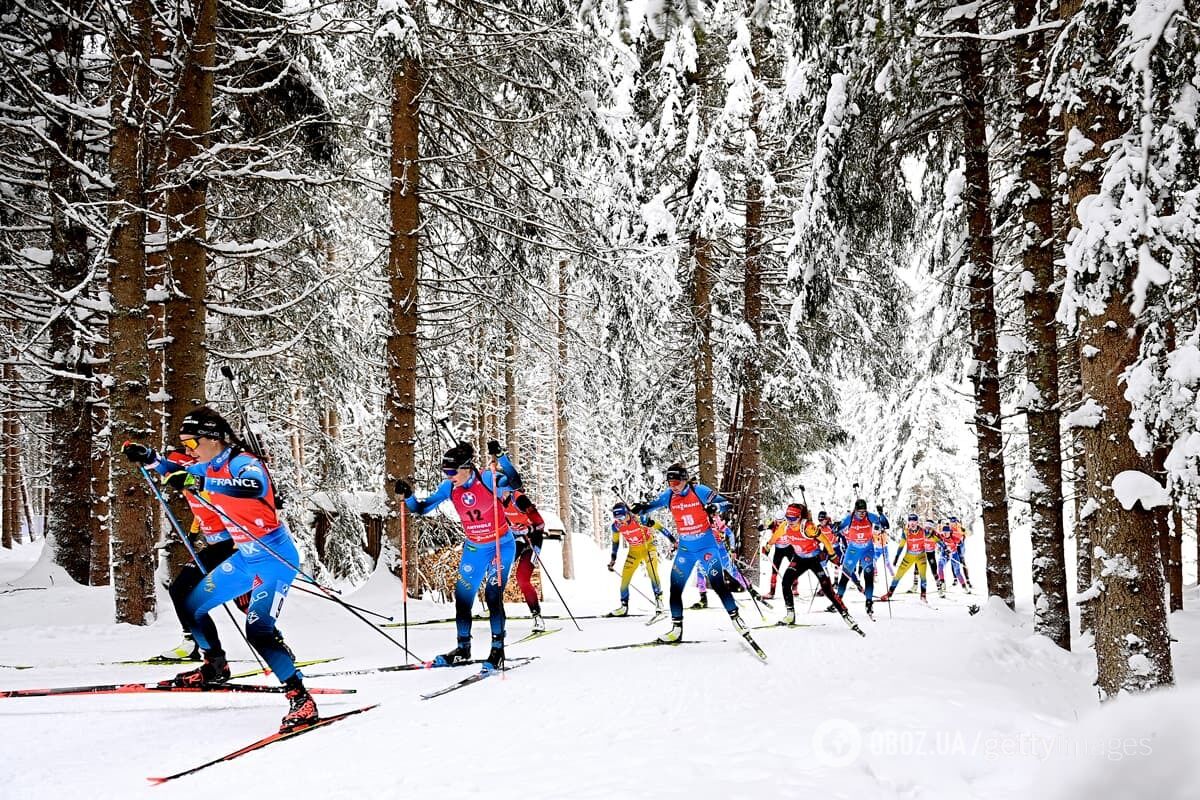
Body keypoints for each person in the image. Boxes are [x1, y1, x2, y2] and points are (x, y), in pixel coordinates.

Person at [123, 406, 317, 732]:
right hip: (244, 558)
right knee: (189, 604)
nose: (188, 451)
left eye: (192, 444)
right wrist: (151, 458)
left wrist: (201, 479)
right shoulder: (206, 464)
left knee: (258, 630)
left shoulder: (243, 463)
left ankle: (301, 699)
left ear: (211, 438)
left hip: (274, 559)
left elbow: (251, 487)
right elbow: (177, 469)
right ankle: (213, 666)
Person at [394, 441, 515, 670]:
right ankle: (463, 648)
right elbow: (420, 509)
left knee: (492, 595)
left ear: (466, 467)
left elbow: (515, 481)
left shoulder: (487, 479)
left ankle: (497, 649)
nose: (449, 476)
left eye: (451, 471)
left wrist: (501, 457)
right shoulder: (449, 488)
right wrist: (408, 497)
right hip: (474, 548)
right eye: (445, 472)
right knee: (462, 597)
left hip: (501, 545)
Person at [630, 463, 746, 642]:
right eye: (670, 482)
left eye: (676, 481)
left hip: (706, 546)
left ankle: (736, 618)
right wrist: (641, 508)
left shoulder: (699, 490)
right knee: (675, 588)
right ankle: (676, 629)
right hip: (686, 549)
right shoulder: (669, 496)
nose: (673, 486)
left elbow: (726, 503)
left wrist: (715, 508)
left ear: (684, 479)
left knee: (718, 584)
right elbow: (651, 507)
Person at [155, 446, 240, 661]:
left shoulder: (205, 476)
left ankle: (274, 643)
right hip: (217, 546)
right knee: (181, 590)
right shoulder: (185, 477)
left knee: (243, 600)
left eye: (191, 447)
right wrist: (193, 534)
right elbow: (199, 512)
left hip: (233, 544)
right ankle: (193, 641)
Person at [762, 503, 850, 626]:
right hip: (799, 559)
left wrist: (833, 555)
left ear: (800, 517)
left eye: (793, 519)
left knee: (827, 588)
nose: (790, 521)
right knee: (786, 582)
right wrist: (767, 546)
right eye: (788, 518)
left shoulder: (808, 527)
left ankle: (845, 613)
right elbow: (776, 536)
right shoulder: (785, 526)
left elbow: (824, 540)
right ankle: (790, 615)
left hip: (814, 559)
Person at [498, 482, 548, 632]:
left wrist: (528, 529)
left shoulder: (520, 500)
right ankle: (494, 608)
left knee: (522, 578)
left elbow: (541, 524)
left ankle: (537, 616)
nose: (497, 493)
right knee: (498, 570)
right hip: (516, 540)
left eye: (499, 489)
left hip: (533, 540)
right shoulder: (498, 502)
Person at [607, 503, 665, 616]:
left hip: (648, 548)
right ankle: (624, 606)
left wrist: (673, 541)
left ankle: (659, 601)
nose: (621, 521)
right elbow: (615, 542)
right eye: (617, 518)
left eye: (622, 517)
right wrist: (613, 558)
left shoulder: (639, 519)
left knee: (652, 572)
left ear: (627, 513)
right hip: (634, 551)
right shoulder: (616, 526)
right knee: (625, 577)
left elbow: (660, 527)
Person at [835, 499, 888, 618]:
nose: (862, 514)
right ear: (855, 510)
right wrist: (836, 526)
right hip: (853, 550)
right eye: (859, 512)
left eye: (864, 511)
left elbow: (885, 525)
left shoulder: (870, 516)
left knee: (868, 575)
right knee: (845, 575)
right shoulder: (850, 517)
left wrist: (881, 515)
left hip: (867, 550)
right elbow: (838, 529)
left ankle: (869, 602)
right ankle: (838, 599)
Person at [878, 514, 930, 602]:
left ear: (917, 522)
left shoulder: (923, 531)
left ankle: (923, 595)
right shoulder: (906, 532)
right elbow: (901, 545)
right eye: (910, 521)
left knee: (923, 576)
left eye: (914, 521)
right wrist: (897, 557)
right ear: (908, 522)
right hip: (909, 556)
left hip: (921, 556)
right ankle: (889, 593)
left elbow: (935, 538)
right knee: (898, 575)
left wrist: (945, 548)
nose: (912, 523)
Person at [948, 515, 973, 590]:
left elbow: (967, 534)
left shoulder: (959, 527)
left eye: (954, 522)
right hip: (953, 547)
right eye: (951, 522)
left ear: (956, 522)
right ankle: (955, 579)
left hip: (960, 547)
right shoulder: (949, 528)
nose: (952, 524)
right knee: (953, 562)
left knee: (962, 562)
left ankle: (968, 580)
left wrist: (964, 532)